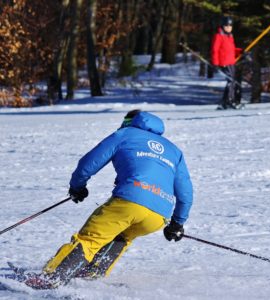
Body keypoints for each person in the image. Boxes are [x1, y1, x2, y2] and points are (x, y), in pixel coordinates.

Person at [25, 109, 193, 289]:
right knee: (121, 235)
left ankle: (51, 278)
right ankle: (91, 274)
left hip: (130, 201)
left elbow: (89, 162)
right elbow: (186, 193)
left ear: (130, 121)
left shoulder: (125, 134)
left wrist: (77, 187)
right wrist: (177, 223)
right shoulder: (174, 151)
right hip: (158, 215)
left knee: (89, 239)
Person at [211, 16, 243, 109]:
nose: (228, 27)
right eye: (226, 26)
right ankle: (230, 101)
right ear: (222, 26)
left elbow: (231, 49)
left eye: (230, 26)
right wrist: (215, 63)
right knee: (231, 81)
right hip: (224, 63)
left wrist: (240, 51)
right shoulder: (219, 36)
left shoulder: (230, 36)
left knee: (233, 81)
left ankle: (224, 102)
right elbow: (215, 50)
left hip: (231, 62)